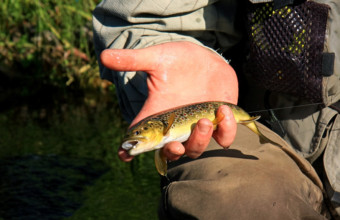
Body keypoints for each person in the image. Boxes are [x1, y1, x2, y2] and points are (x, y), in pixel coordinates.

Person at [93, 0, 340, 219]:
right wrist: (172, 54)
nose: (133, 139)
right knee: (230, 196)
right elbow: (149, 18)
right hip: (261, 135)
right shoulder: (166, 128)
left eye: (137, 135)